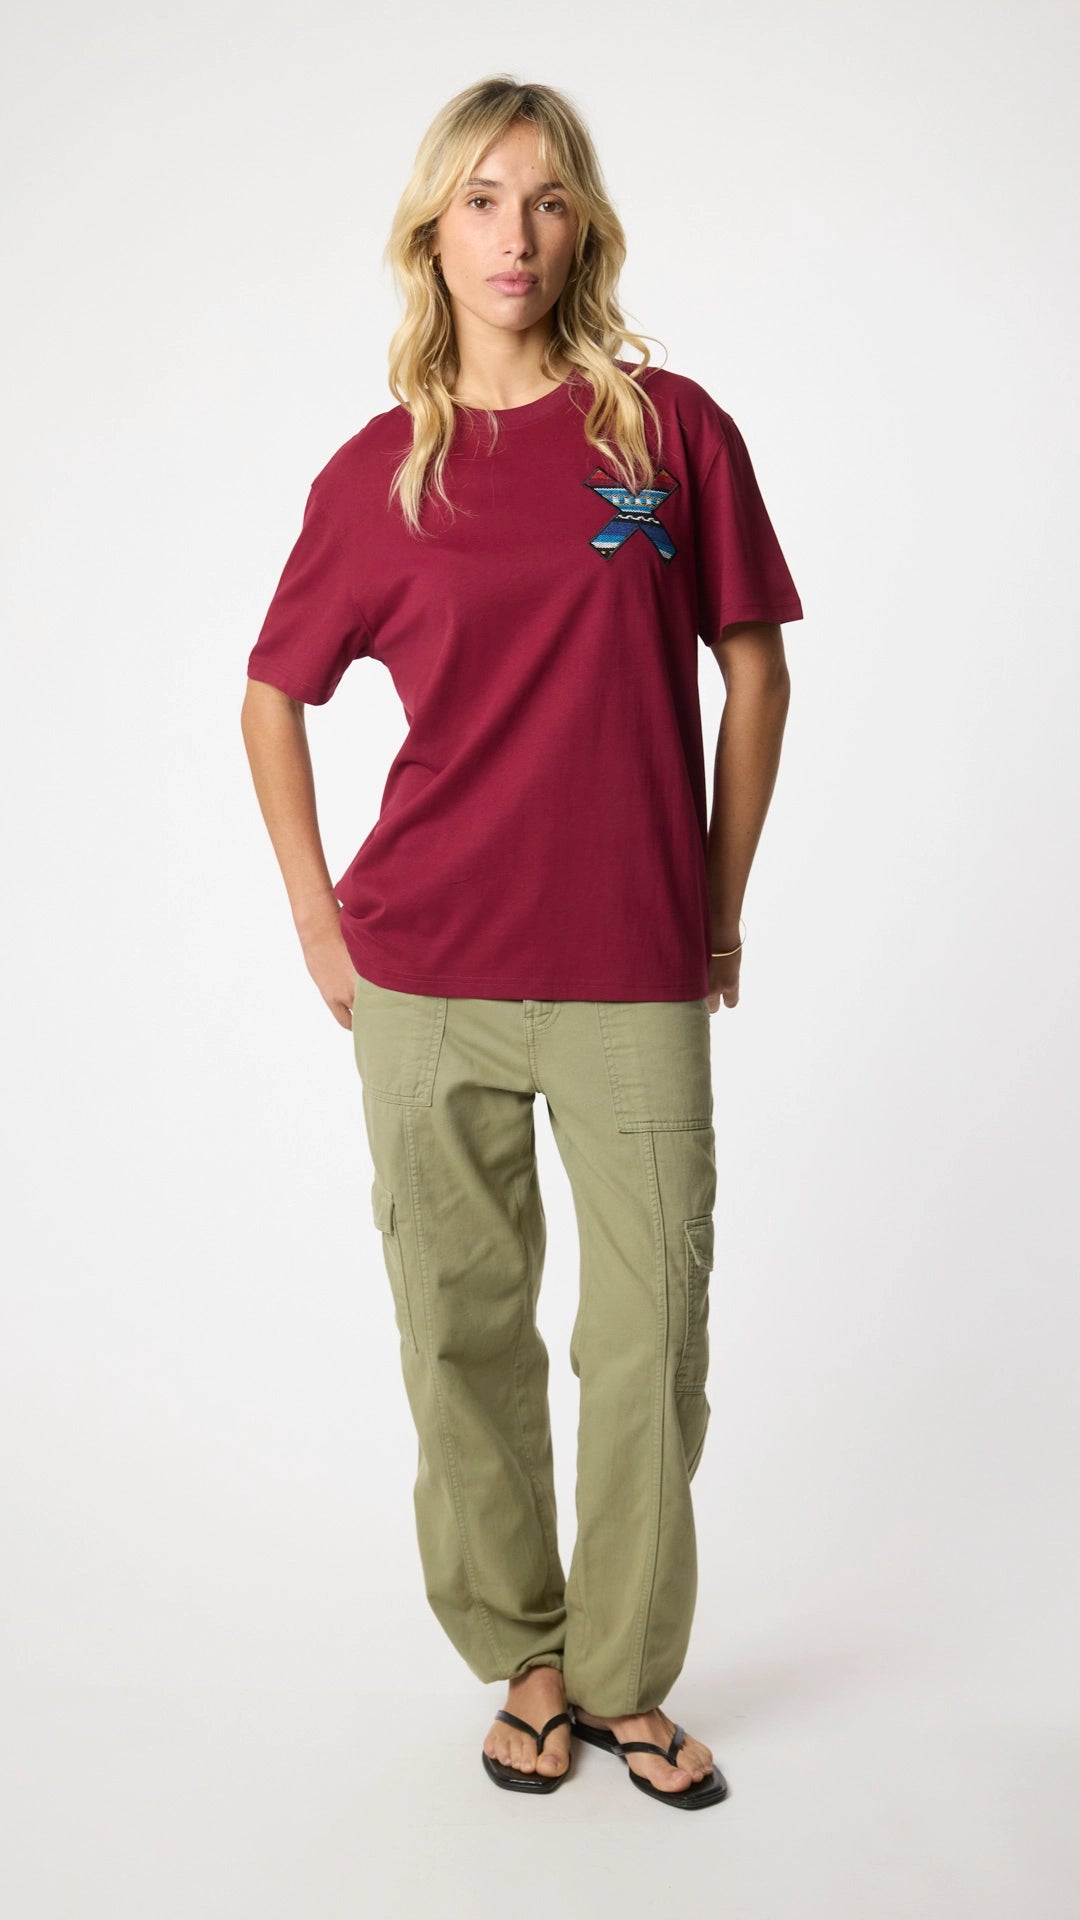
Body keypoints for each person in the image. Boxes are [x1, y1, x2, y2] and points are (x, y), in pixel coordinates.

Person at [241, 75, 803, 1812]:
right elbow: (271, 696)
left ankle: (624, 1678)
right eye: (481, 200)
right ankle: (527, 1661)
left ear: (586, 229)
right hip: (426, 979)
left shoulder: (666, 434)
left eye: (548, 200)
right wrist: (322, 922)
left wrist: (716, 906)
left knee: (652, 1336)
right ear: (432, 231)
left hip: (632, 965)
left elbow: (757, 673)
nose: (516, 234)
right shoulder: (377, 473)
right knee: (460, 1331)